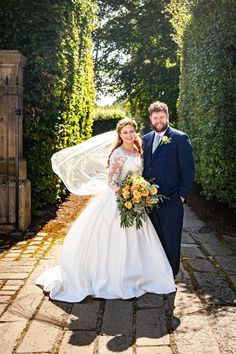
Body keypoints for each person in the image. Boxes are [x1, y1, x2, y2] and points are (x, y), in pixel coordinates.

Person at [36, 118, 176, 302]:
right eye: (125, 132)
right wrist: (125, 194)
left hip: (135, 200)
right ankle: (113, 278)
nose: (129, 135)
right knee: (114, 239)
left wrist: (139, 192)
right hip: (119, 200)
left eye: (131, 131)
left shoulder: (138, 151)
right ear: (120, 135)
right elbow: (111, 180)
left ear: (136, 133)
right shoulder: (118, 153)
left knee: (140, 239)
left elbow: (140, 175)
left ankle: (141, 275)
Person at [143, 101, 195, 277]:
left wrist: (182, 195)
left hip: (171, 199)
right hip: (148, 200)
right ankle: (156, 272)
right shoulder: (146, 139)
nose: (159, 120)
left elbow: (188, 169)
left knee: (171, 238)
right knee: (153, 238)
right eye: (155, 117)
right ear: (151, 118)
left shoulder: (180, 138)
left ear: (167, 117)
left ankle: (170, 275)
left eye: (162, 117)